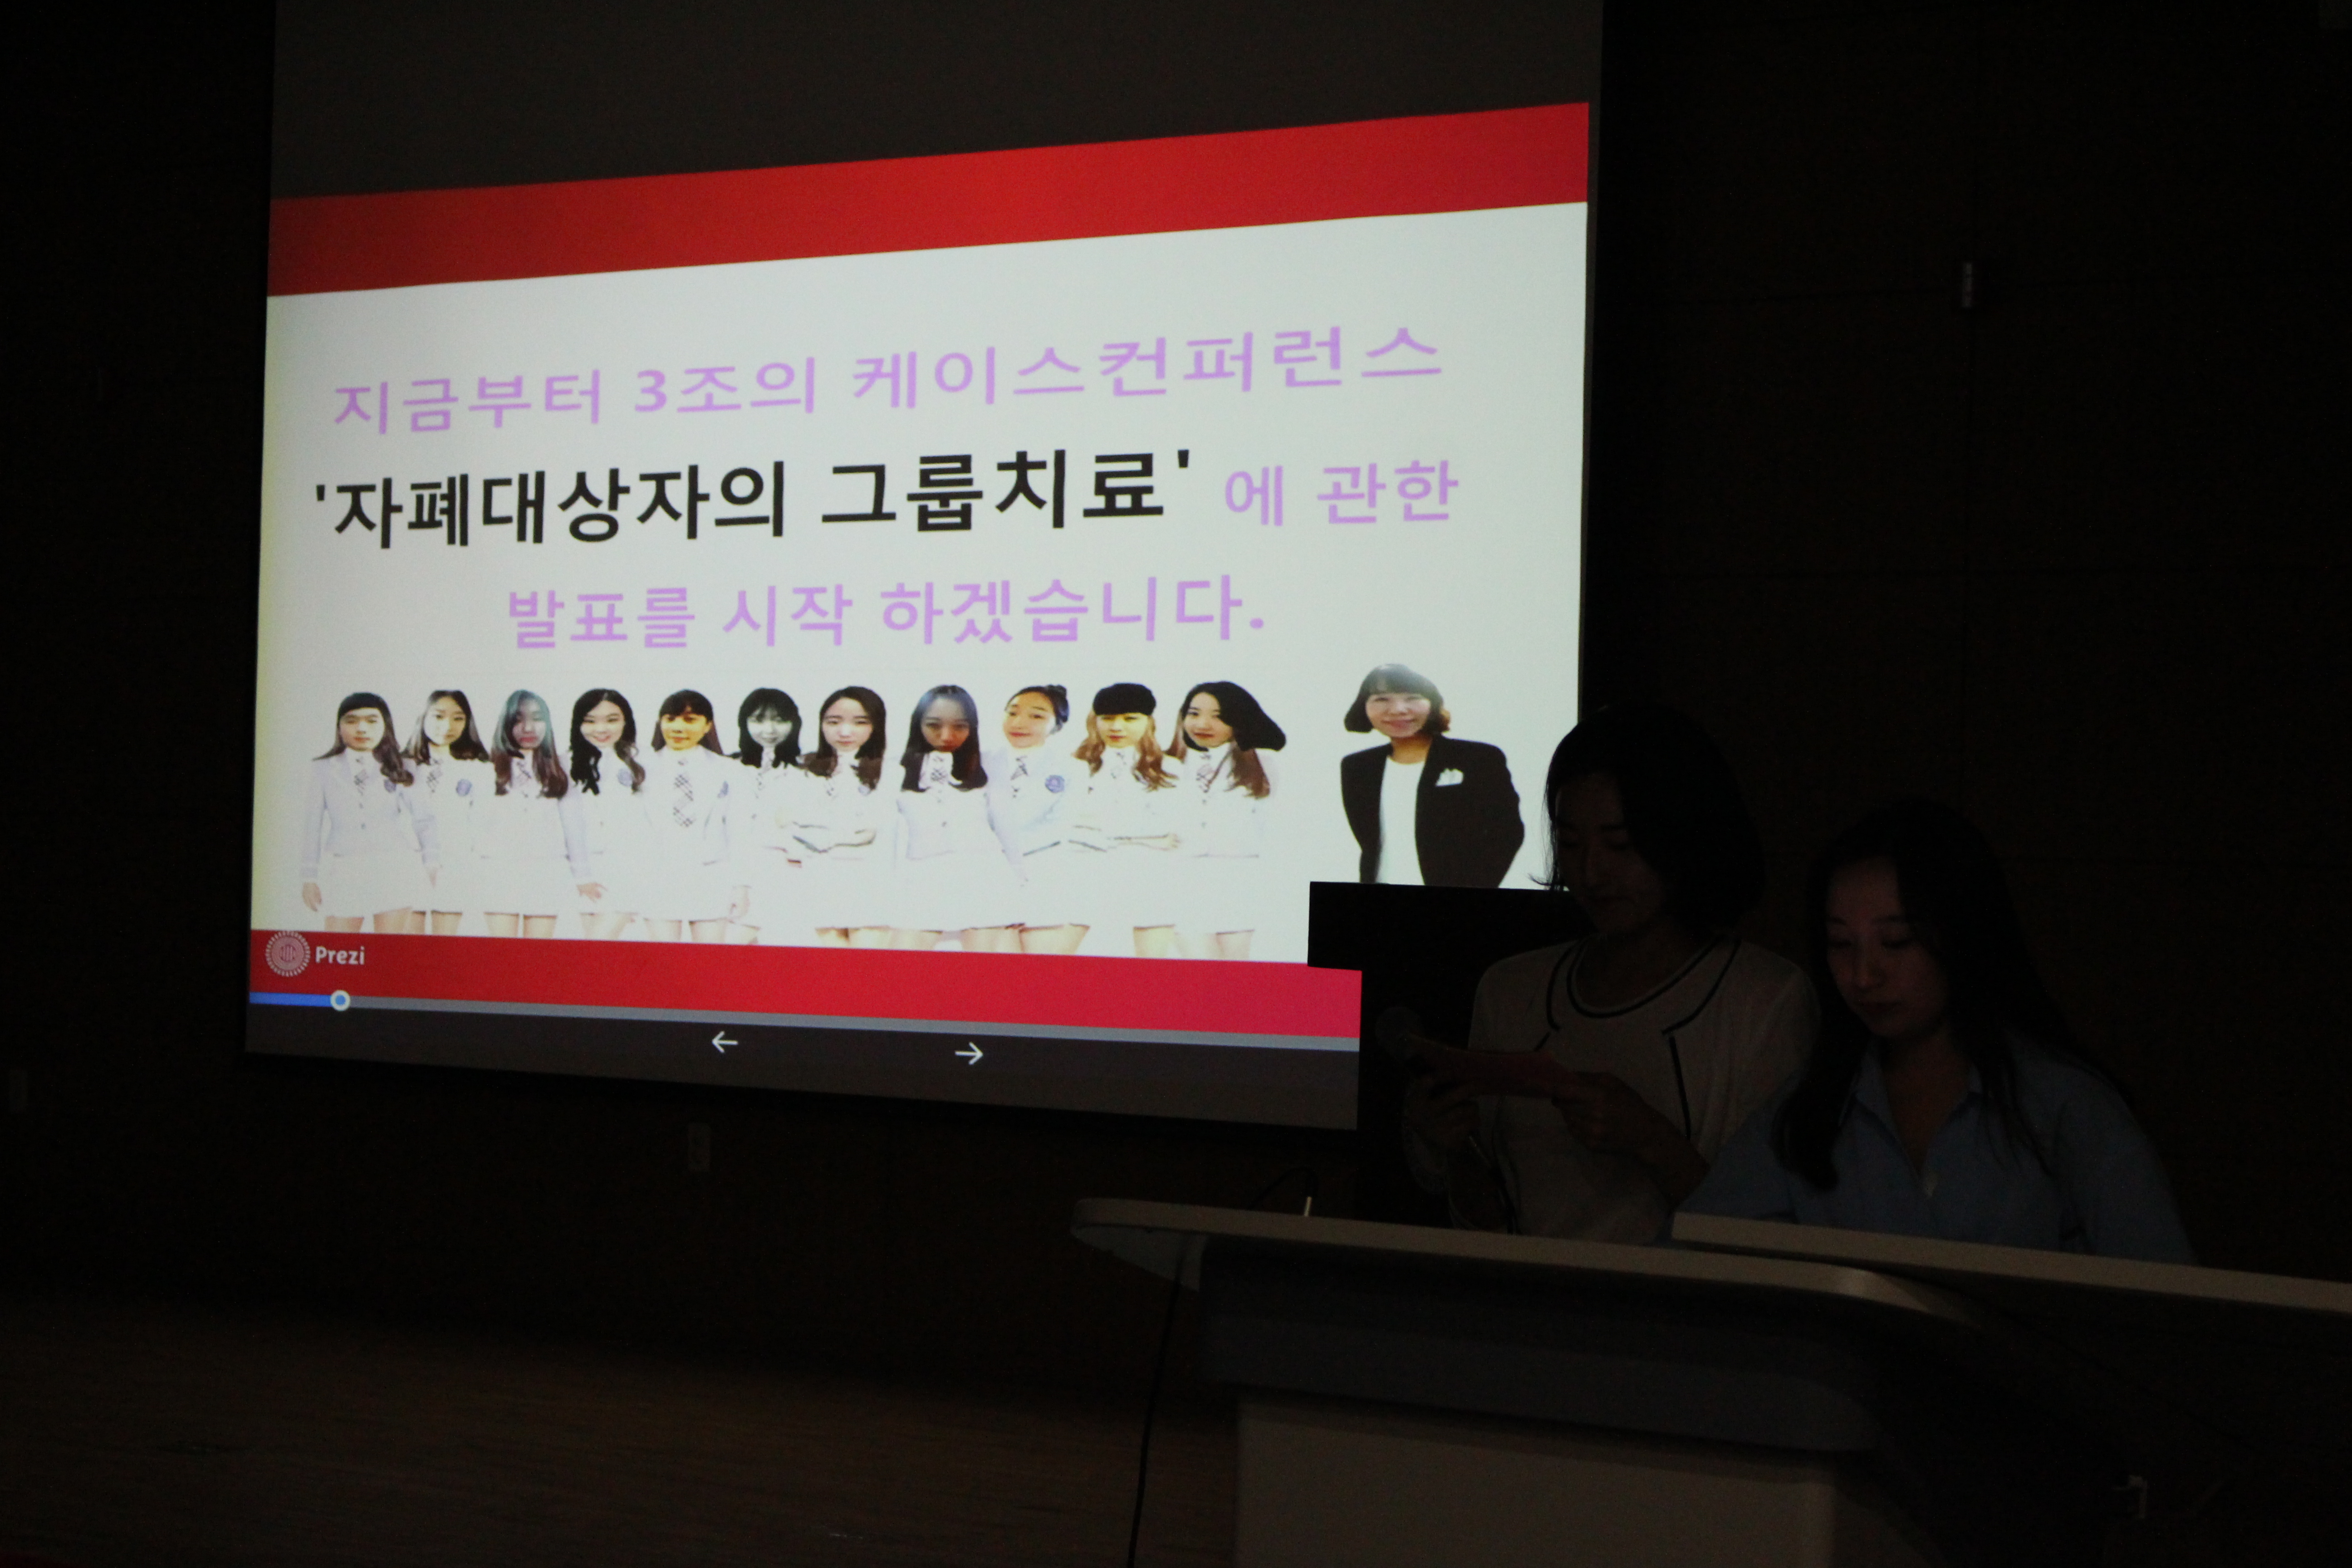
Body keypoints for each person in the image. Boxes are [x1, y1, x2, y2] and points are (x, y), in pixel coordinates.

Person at [1682, 800, 2193, 1262]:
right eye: (1841, 944)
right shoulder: (1812, 1107)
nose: (1864, 976)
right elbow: (1694, 1252)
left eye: (1896, 942)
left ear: (1962, 935)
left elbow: (2160, 1295)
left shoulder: (2065, 1106)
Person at [1404, 701, 1813, 1242]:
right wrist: (1455, 1148)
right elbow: (1490, 1226)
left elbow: (1771, 1239)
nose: (1592, 873)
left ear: (1684, 836)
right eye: (1570, 843)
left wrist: (1650, 1141)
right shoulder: (1512, 990)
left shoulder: (1764, 1000)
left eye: (1620, 845)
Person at [1338, 663, 1522, 888]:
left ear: (1433, 705)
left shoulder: (1478, 758)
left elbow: (1507, 832)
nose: (1398, 710)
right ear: (1364, 706)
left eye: (1412, 698)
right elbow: (1369, 841)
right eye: (1382, 699)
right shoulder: (1358, 767)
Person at [892, 684, 1022, 951]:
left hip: (982, 873)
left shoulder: (989, 764)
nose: (946, 736)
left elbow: (1006, 827)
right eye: (934, 725)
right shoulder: (896, 768)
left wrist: (1018, 887)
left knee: (979, 969)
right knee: (902, 962)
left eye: (960, 727)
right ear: (918, 724)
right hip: (922, 875)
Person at [299, 691, 437, 934]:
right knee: (339, 946)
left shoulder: (404, 766)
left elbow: (424, 819)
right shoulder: (323, 768)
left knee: (389, 949)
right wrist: (309, 877)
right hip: (345, 867)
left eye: (372, 721)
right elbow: (312, 824)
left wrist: (431, 862)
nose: (362, 728)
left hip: (393, 866)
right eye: (352, 720)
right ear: (339, 727)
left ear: (386, 725)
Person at [1167, 681, 1285, 960]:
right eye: (1194, 714)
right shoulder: (1165, 764)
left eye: (1218, 717)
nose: (1203, 724)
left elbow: (1277, 826)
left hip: (1238, 881)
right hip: (1181, 880)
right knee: (1200, 965)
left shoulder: (1264, 763)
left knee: (1235, 969)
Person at [1069, 682, 1181, 957]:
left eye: (1130, 719)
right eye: (1107, 719)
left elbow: (1173, 828)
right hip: (1087, 876)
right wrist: (1145, 837)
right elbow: (1069, 825)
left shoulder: (1170, 768)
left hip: (1151, 876)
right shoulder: (1075, 766)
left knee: (1151, 966)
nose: (1117, 727)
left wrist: (1100, 831)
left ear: (1149, 722)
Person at [475, 689, 595, 938]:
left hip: (546, 870)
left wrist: (582, 875)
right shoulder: (487, 767)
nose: (528, 728)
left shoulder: (562, 767)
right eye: (518, 720)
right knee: (503, 953)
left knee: (538, 953)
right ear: (506, 724)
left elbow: (574, 825)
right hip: (499, 869)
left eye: (537, 719)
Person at [785, 687, 896, 947]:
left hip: (870, 882)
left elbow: (871, 832)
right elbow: (791, 826)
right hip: (820, 880)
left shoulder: (892, 772)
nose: (845, 732)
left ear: (876, 726)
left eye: (860, 723)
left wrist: (821, 834)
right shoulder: (802, 770)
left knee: (868, 964)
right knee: (830, 965)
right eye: (834, 722)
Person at [637, 689, 745, 942]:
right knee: (664, 960)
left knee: (710, 960)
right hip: (658, 877)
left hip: (711, 877)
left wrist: (741, 887)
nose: (678, 728)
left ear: (707, 725)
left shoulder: (728, 769)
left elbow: (739, 831)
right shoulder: (641, 769)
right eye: (670, 719)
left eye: (690, 720)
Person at [991, 685, 1090, 955]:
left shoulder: (1072, 769)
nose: (1019, 723)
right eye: (1013, 713)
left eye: (1036, 716)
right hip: (989, 876)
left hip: (1041, 876)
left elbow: (1060, 825)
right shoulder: (981, 763)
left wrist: (1008, 850)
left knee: (1043, 970)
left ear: (1057, 725)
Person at [402, 690, 492, 936]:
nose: (448, 726)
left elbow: (480, 823)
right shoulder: (402, 767)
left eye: (458, 718)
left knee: (444, 945)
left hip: (455, 864)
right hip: (409, 863)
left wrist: (473, 865)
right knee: (409, 946)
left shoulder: (478, 769)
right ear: (423, 717)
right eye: (439, 716)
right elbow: (398, 818)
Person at [569, 688, 652, 940]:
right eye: (590, 721)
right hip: (583, 872)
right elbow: (569, 826)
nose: (601, 729)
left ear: (626, 722)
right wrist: (582, 876)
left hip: (630, 871)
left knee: (596, 944)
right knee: (595, 948)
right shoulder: (566, 763)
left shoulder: (644, 759)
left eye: (612, 720)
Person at [727, 687, 803, 946]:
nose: (769, 730)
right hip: (734, 870)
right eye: (758, 720)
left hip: (783, 874)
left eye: (779, 720)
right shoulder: (729, 768)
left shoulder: (805, 771)